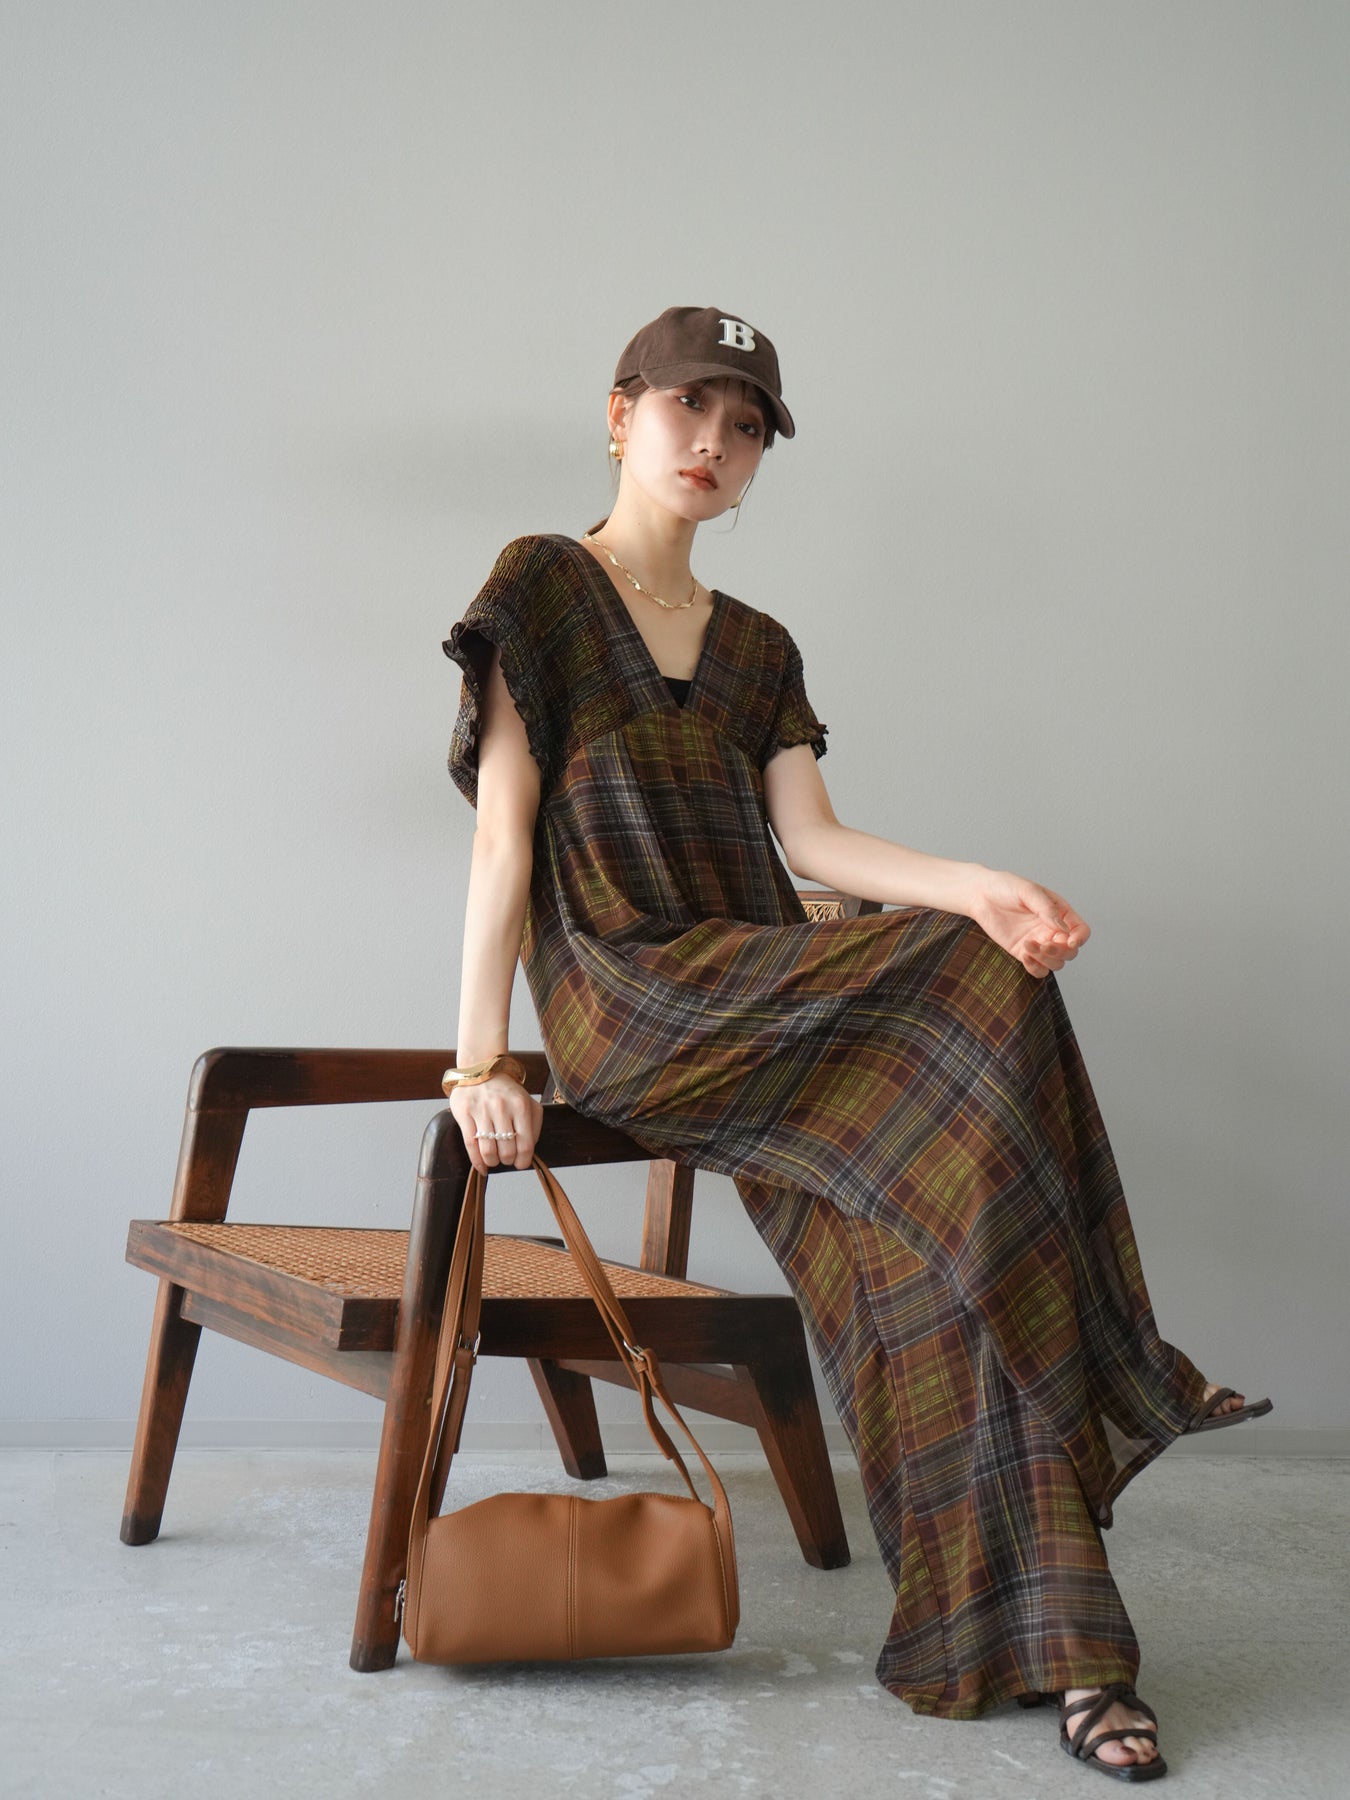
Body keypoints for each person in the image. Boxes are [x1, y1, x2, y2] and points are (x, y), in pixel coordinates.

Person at [439, 305, 1272, 1783]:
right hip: (638, 1000)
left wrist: (977, 881)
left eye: (746, 425)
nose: (714, 441)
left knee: (927, 1269)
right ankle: (1118, 1355)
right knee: (961, 981)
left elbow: (811, 843)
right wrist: (481, 1061)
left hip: (769, 990)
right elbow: (505, 836)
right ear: (620, 412)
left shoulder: (760, 648)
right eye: (689, 407)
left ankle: (1059, 1652)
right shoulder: (542, 589)